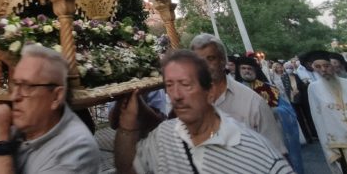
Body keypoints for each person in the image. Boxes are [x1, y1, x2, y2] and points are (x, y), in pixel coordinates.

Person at [114, 49, 294, 174]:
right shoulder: (164, 135)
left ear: (210, 92)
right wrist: (127, 128)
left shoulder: (257, 152)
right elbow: (128, 169)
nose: (176, 95)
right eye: (169, 85)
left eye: (185, 84)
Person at [0, 44, 100, 173]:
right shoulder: (20, 131)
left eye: (27, 86)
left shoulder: (76, 148)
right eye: (15, 85)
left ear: (56, 97)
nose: (14, 97)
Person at [190, 34, 287, 154]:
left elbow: (276, 151)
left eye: (210, 58)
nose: (204, 66)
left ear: (223, 61)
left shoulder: (252, 102)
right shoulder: (189, 103)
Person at [235, 56, 303, 174]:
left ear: (255, 70)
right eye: (243, 68)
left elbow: (287, 110)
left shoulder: (269, 88)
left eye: (249, 68)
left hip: (273, 133)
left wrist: (273, 111)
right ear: (239, 70)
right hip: (250, 136)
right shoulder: (234, 91)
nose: (247, 71)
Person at [304, 50, 347, 174]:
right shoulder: (313, 89)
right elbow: (318, 119)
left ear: (333, 65)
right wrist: (327, 147)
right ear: (313, 68)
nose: (323, 70)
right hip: (339, 143)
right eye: (318, 67)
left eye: (326, 66)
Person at [282, 61, 315, 143]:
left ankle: (314, 134)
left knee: (308, 116)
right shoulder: (284, 77)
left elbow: (302, 85)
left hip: (302, 99)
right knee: (300, 119)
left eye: (290, 67)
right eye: (287, 68)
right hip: (293, 100)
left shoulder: (296, 75)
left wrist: (301, 87)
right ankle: (307, 137)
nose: (289, 69)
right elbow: (285, 88)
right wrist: (292, 93)